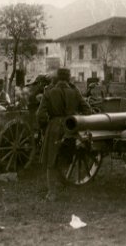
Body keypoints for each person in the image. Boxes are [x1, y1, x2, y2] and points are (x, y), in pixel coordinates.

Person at [36, 68, 91, 201]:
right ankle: (64, 182)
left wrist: (45, 127)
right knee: (66, 156)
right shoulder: (75, 91)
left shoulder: (49, 92)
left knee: (51, 161)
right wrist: (76, 118)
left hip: (54, 128)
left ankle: (52, 193)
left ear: (57, 78)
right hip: (71, 127)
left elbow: (40, 115)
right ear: (68, 78)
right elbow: (87, 110)